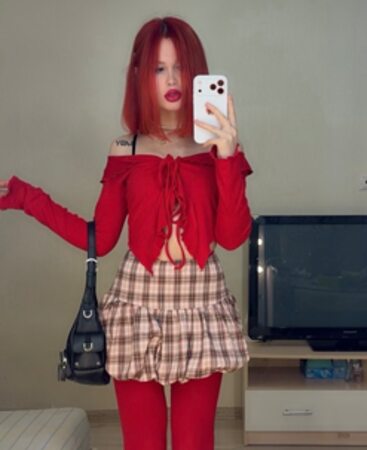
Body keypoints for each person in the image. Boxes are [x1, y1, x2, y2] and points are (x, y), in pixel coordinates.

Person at [0, 16, 253, 450]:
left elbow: (231, 237)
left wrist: (227, 157)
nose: (171, 80)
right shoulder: (125, 148)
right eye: (159, 68)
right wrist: (27, 198)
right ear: (140, 75)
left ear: (197, 73)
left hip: (202, 306)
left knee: (195, 443)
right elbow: (99, 238)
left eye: (181, 67)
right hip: (136, 306)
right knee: (142, 444)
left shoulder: (218, 149)